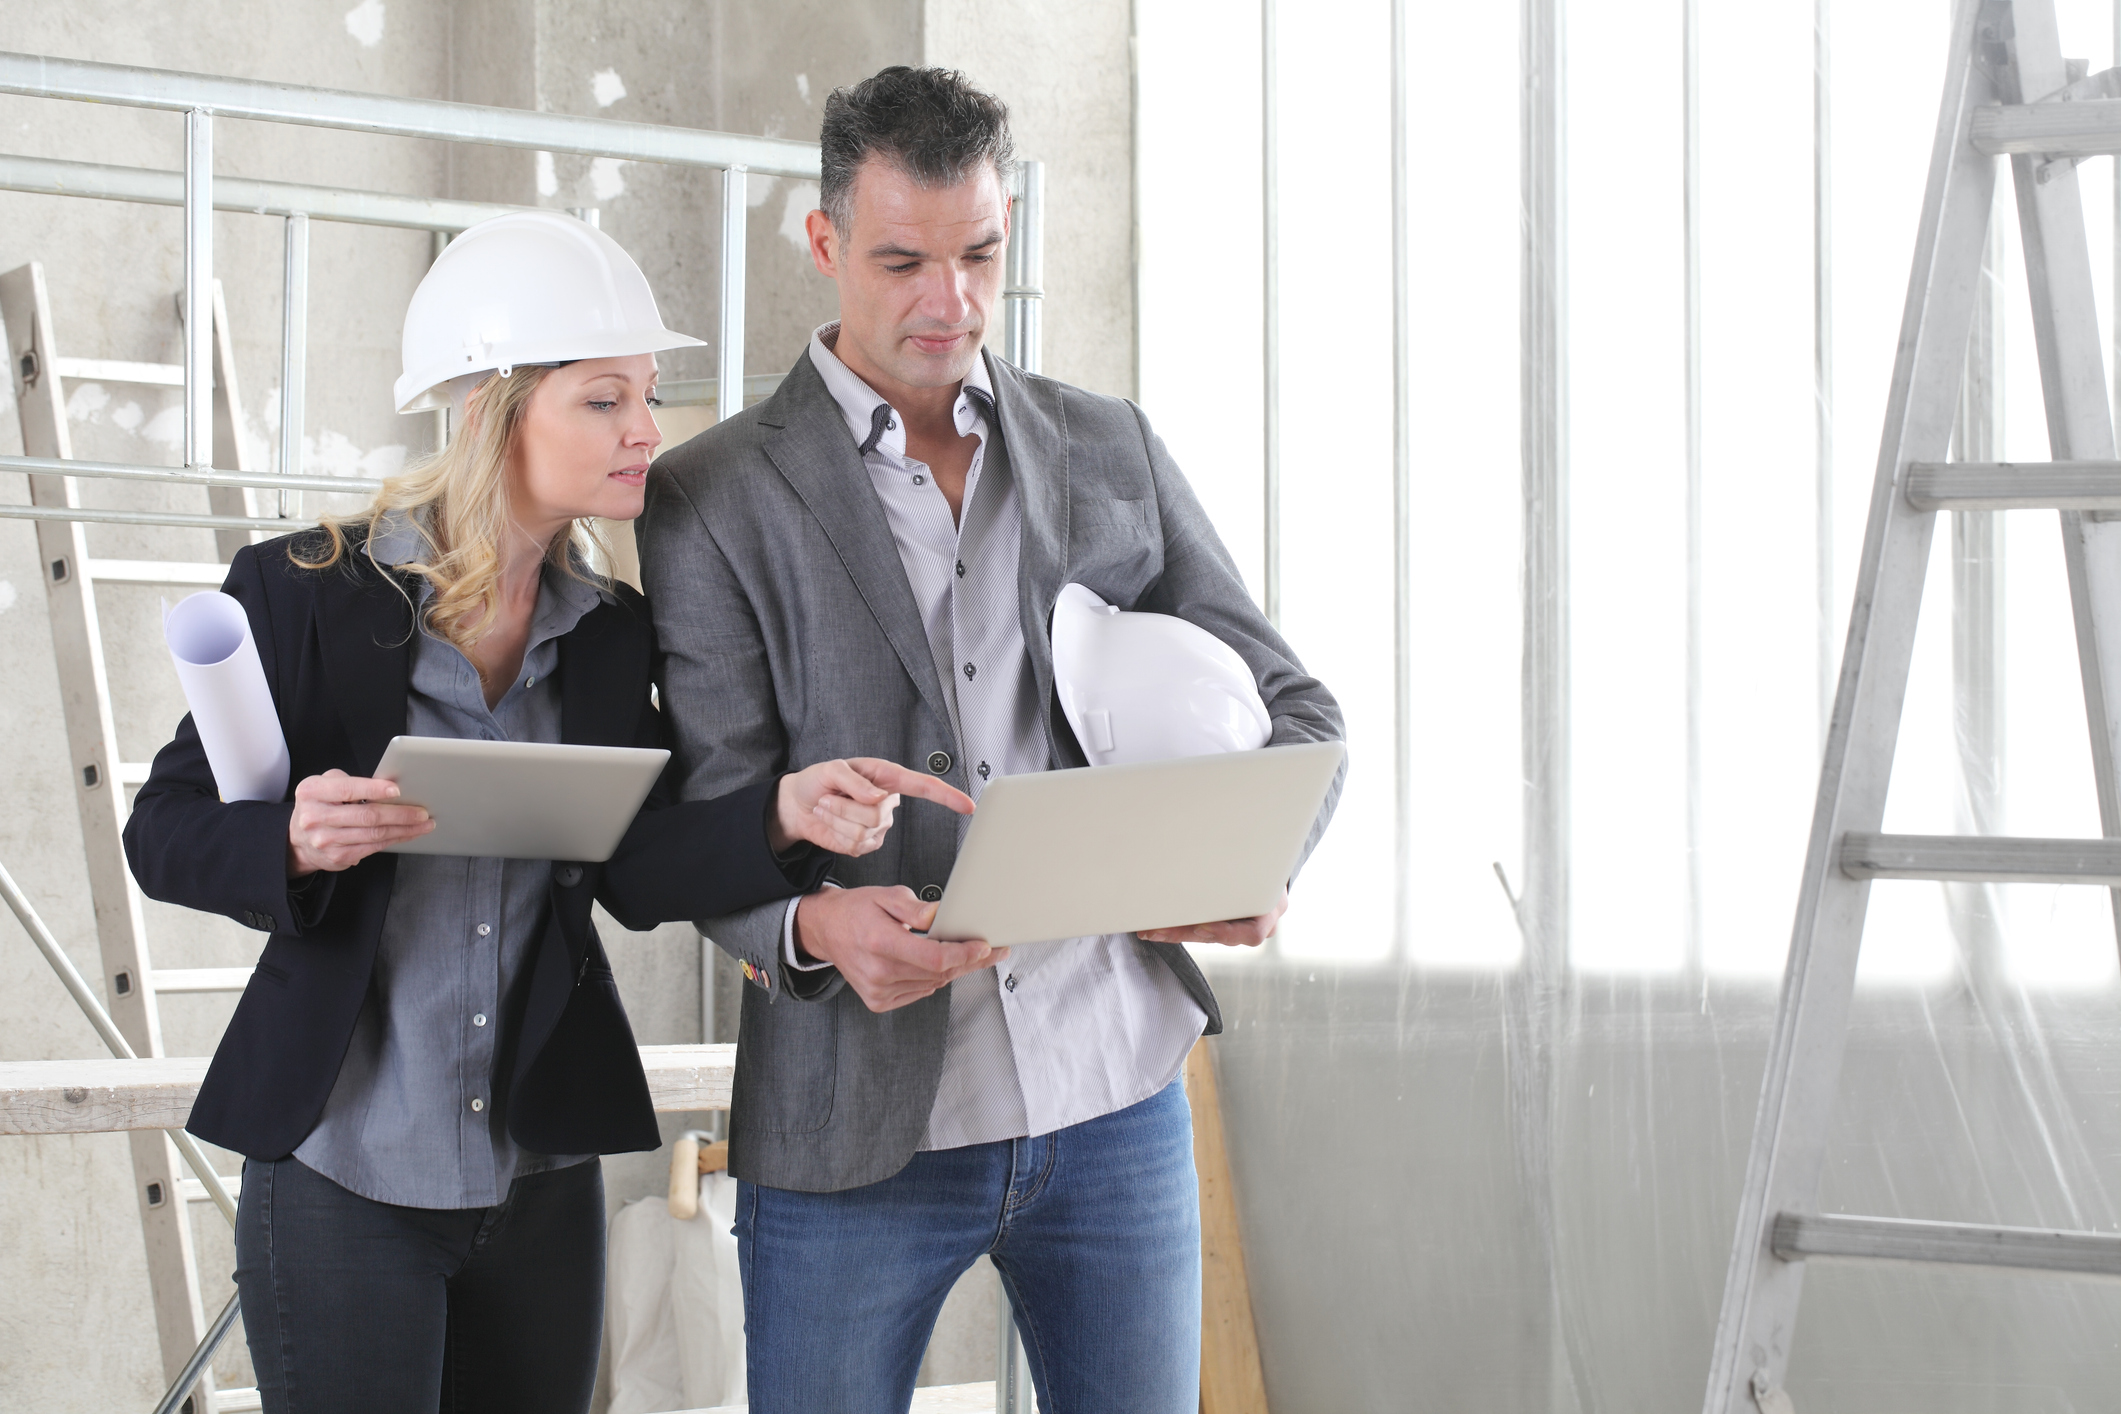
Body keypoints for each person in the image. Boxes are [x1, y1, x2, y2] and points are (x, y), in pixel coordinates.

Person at [121, 210, 972, 1414]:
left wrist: (783, 809)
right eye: (604, 400)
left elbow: (637, 862)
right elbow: (161, 827)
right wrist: (292, 838)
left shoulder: (609, 633)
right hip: (342, 1170)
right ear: (491, 408)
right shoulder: (300, 591)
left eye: (650, 396)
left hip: (537, 1178)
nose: (648, 432)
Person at [637, 67, 1344, 1414]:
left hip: (1114, 1094)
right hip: (855, 1120)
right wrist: (809, 931)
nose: (948, 302)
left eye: (979, 255)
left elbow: (1295, 710)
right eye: (903, 260)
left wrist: (1255, 860)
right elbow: (717, 806)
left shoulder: (1105, 445)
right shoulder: (709, 495)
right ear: (827, 241)